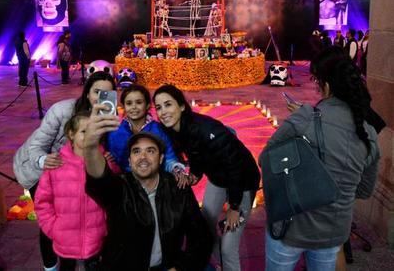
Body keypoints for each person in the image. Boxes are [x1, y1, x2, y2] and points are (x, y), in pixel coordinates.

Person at [262, 46, 380, 271]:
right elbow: (364, 191)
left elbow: (266, 160)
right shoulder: (369, 134)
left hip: (291, 229)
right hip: (333, 233)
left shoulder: (304, 118)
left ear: (325, 86)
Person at [13, 71, 116, 271]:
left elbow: (101, 150)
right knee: (51, 221)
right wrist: (45, 160)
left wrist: (108, 158)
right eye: (97, 92)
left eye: (107, 93)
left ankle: (84, 253)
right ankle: (51, 266)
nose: (100, 98)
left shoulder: (106, 117)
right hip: (40, 168)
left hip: (74, 172)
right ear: (87, 93)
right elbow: (36, 145)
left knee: (77, 213)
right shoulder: (62, 110)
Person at [153, 85, 261, 271]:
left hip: (242, 182)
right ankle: (220, 265)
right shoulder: (176, 130)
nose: (163, 112)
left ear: (182, 106)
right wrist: (196, 173)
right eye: (159, 107)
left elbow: (235, 166)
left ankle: (227, 263)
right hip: (218, 178)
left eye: (168, 104)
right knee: (205, 229)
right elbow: (196, 153)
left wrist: (234, 207)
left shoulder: (206, 129)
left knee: (229, 247)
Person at [83, 117, 213, 271]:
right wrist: (91, 147)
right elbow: (99, 182)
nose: (143, 157)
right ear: (130, 161)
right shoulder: (120, 187)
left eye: (150, 151)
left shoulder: (178, 188)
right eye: (136, 151)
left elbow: (201, 237)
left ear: (161, 159)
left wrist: (180, 267)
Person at [34, 112, 120, 270]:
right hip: (65, 240)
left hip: (97, 237)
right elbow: (42, 202)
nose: (89, 135)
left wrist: (106, 226)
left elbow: (114, 198)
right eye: (83, 131)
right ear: (71, 134)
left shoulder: (105, 161)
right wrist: (54, 228)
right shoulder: (56, 164)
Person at [106, 84, 185, 175]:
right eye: (129, 103)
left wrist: (177, 170)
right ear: (123, 106)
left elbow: (169, 158)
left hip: (156, 182)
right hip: (125, 184)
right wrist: (107, 161)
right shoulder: (114, 133)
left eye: (139, 102)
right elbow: (114, 165)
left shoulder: (160, 130)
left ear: (147, 105)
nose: (134, 107)